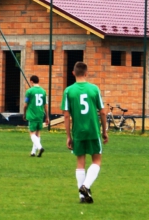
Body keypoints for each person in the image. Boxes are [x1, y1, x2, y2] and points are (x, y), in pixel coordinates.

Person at [61, 61, 108, 204]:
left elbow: (66, 115)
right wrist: (104, 131)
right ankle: (85, 187)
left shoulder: (68, 91)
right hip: (93, 130)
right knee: (97, 161)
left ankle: (83, 196)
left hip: (78, 131)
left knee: (80, 163)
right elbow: (103, 112)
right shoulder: (94, 89)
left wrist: (68, 136)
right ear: (86, 73)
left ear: (73, 73)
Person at [23, 75, 49, 157]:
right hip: (40, 114)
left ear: (31, 81)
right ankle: (33, 152)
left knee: (32, 134)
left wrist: (24, 113)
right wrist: (47, 116)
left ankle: (40, 147)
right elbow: (46, 105)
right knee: (38, 134)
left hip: (32, 115)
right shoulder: (44, 91)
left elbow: (25, 105)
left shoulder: (29, 91)